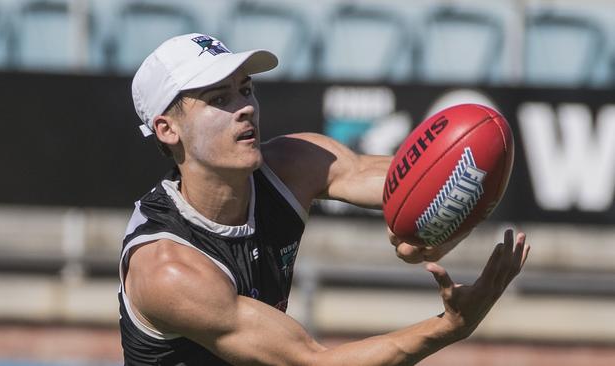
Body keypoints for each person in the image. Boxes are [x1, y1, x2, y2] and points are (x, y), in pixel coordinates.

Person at [119, 33, 530, 366]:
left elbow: (436, 176)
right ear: (167, 129)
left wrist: (444, 225)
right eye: (219, 99)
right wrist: (451, 327)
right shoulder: (167, 270)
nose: (245, 108)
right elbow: (314, 363)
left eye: (245, 90)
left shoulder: (293, 163)